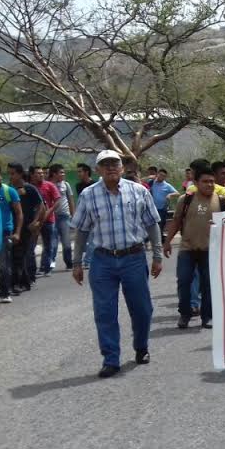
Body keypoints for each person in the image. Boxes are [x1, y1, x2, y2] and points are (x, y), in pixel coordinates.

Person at [70, 150, 162, 378]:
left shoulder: (139, 191)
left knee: (142, 309)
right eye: (105, 164)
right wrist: (76, 262)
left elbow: (152, 224)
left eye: (115, 163)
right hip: (103, 260)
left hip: (133, 257)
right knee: (104, 311)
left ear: (122, 168)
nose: (111, 167)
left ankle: (141, 347)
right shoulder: (89, 195)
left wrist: (158, 256)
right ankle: (111, 359)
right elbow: (81, 230)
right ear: (98, 169)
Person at [163, 165, 225, 328]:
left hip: (211, 251)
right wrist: (166, 243)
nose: (209, 185)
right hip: (187, 249)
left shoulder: (223, 202)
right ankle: (185, 314)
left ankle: (207, 316)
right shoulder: (185, 199)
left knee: (208, 285)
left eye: (212, 182)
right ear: (195, 182)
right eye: (205, 181)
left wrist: (221, 227)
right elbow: (176, 221)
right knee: (184, 282)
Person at [9, 164, 44, 291]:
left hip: (26, 228)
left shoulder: (29, 188)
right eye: (9, 173)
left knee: (20, 255)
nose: (11, 176)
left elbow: (41, 206)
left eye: (13, 173)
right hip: (13, 227)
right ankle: (22, 281)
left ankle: (19, 283)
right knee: (15, 255)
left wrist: (36, 222)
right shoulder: (10, 189)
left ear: (19, 174)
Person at [0, 168, 23, 302]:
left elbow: (19, 213)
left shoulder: (9, 191)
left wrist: (17, 232)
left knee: (4, 265)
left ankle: (4, 293)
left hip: (5, 233)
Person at [30, 166, 60, 276]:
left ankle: (46, 268)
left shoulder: (50, 185)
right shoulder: (30, 187)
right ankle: (31, 269)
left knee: (48, 245)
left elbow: (58, 200)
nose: (41, 175)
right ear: (32, 175)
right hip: (34, 221)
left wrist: (49, 211)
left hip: (48, 220)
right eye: (38, 173)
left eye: (42, 173)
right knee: (31, 245)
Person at [47, 165, 75, 272]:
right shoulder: (49, 185)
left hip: (64, 217)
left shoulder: (66, 185)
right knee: (53, 243)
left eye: (64, 172)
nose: (63, 174)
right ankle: (51, 265)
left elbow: (71, 200)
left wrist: (73, 216)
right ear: (54, 174)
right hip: (52, 217)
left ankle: (69, 263)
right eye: (61, 172)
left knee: (66, 243)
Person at [148, 168, 179, 237]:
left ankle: (160, 238)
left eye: (163, 176)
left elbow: (177, 193)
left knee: (161, 224)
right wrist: (149, 177)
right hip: (152, 208)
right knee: (152, 224)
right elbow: (140, 182)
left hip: (162, 208)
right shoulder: (152, 182)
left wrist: (170, 194)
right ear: (157, 174)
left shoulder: (167, 185)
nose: (161, 177)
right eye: (160, 175)